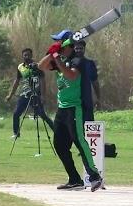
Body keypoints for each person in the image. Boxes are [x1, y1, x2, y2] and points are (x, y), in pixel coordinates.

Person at [38, 39, 103, 192]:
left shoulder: (77, 61)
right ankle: (74, 179)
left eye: (63, 47)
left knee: (79, 141)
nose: (61, 49)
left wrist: (56, 57)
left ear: (71, 47)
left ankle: (94, 176)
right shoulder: (61, 59)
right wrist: (51, 53)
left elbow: (71, 76)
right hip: (62, 108)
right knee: (59, 145)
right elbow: (41, 66)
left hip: (75, 108)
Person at [5, 48, 54, 139]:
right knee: (16, 114)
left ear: (31, 55)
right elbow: (17, 81)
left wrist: (43, 95)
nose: (26, 57)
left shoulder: (38, 66)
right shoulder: (20, 67)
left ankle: (56, 131)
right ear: (22, 56)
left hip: (35, 94)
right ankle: (16, 134)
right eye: (25, 55)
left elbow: (42, 80)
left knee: (42, 115)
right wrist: (10, 95)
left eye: (28, 55)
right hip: (24, 94)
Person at [73, 40, 101, 123]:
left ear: (84, 49)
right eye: (76, 48)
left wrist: (98, 98)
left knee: (88, 124)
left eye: (80, 48)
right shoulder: (70, 62)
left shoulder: (89, 63)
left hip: (86, 99)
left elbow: (95, 82)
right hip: (73, 99)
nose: (78, 50)